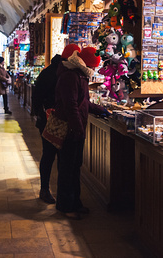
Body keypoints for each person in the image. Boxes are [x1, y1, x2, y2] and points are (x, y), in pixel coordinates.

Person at [53, 46, 109, 219]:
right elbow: (71, 106)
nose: (94, 69)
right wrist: (77, 129)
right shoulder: (71, 76)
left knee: (74, 168)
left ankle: (75, 203)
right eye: (94, 66)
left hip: (76, 129)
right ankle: (65, 206)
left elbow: (82, 102)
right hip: (71, 129)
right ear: (88, 64)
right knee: (67, 169)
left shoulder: (79, 75)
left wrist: (100, 109)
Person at [32, 43, 80, 204]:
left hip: (47, 119)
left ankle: (48, 190)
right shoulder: (63, 74)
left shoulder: (49, 72)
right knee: (56, 157)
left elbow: (36, 94)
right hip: (53, 120)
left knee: (49, 155)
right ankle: (52, 192)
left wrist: (36, 113)